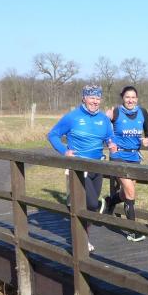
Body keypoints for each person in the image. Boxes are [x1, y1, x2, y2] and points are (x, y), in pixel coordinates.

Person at [47, 85, 116, 252]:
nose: (95, 101)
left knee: (88, 207)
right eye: (92, 98)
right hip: (79, 168)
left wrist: (111, 144)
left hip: (97, 167)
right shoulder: (72, 117)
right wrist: (64, 151)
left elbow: (109, 136)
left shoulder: (103, 119)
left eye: (98, 98)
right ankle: (83, 235)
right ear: (84, 98)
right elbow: (53, 134)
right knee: (91, 204)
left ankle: (83, 239)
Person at [99, 85, 148, 242]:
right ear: (123, 98)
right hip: (118, 156)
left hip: (134, 157)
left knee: (125, 193)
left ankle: (110, 201)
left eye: (133, 97)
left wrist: (147, 139)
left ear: (137, 99)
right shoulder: (116, 112)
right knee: (130, 191)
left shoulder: (142, 112)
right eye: (127, 97)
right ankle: (133, 231)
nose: (130, 100)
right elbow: (102, 130)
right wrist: (105, 118)